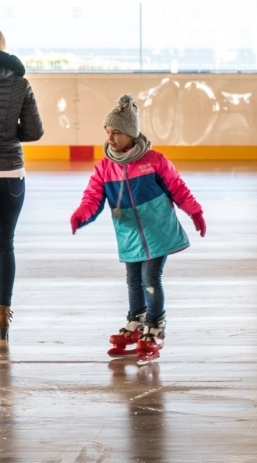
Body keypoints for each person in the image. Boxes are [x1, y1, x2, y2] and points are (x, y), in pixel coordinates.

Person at [70, 94, 206, 365]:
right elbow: (92, 198)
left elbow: (177, 187)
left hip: (158, 231)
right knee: (133, 280)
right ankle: (136, 320)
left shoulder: (154, 160)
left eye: (117, 132)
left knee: (151, 279)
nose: (111, 138)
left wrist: (194, 210)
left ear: (131, 134)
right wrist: (81, 215)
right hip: (129, 235)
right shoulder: (104, 167)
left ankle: (155, 326)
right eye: (108, 132)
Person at [0, 27, 43, 347]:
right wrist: (9, 135)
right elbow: (35, 131)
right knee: (4, 246)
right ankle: (4, 314)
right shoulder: (20, 84)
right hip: (11, 174)